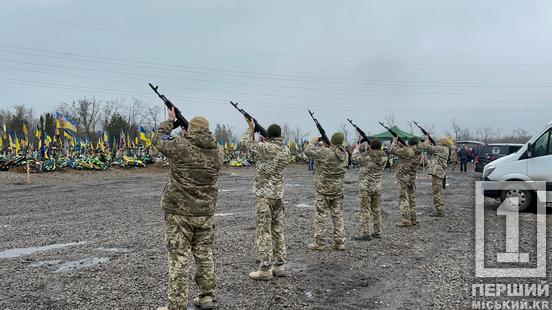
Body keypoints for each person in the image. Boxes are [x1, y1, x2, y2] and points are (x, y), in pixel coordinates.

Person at [153, 108, 223, 310]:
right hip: (205, 213)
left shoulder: (181, 147)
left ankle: (176, 305)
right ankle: (206, 296)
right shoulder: (218, 152)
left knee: (179, 258)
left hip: (179, 213)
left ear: (188, 130)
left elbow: (158, 139)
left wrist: (170, 121)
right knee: (204, 255)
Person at [240, 118, 290, 281]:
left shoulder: (264, 148)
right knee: (277, 230)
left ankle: (265, 269)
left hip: (264, 197)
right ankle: (279, 265)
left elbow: (244, 145)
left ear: (268, 135)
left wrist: (250, 129)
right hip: (278, 195)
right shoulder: (286, 150)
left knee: (264, 232)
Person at [304, 132, 349, 251]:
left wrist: (313, 142)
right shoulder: (345, 154)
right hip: (337, 190)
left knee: (320, 216)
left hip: (323, 190)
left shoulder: (325, 152)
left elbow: (308, 152)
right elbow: (333, 154)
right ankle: (340, 242)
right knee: (338, 215)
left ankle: (320, 243)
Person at [351, 138, 387, 240]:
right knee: (376, 210)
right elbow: (376, 155)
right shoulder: (384, 157)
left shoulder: (367, 156)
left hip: (365, 187)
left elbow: (354, 158)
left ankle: (365, 233)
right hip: (377, 187)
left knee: (365, 210)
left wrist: (357, 149)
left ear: (370, 146)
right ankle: (377, 231)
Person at [389, 136, 421, 227]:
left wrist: (394, 142)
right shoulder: (417, 152)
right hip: (412, 177)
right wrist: (402, 146)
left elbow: (392, 150)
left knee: (403, 197)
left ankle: (406, 220)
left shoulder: (408, 151)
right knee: (411, 197)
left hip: (403, 177)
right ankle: (413, 219)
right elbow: (406, 155)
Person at [423, 136, 449, 217]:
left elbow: (428, 147)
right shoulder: (444, 149)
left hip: (437, 173)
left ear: (442, 143)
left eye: (439, 142)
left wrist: (426, 139)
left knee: (436, 192)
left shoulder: (442, 149)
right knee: (438, 191)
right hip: (439, 172)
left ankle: (439, 210)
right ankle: (439, 209)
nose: (438, 143)